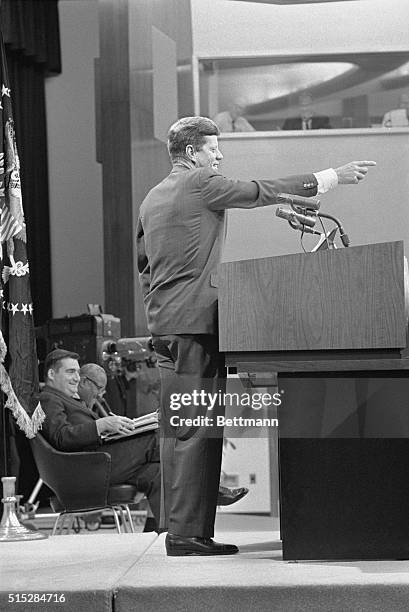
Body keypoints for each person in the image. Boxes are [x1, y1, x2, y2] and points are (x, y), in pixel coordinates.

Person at [136, 115, 375, 556]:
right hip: (194, 326)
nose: (220, 156)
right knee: (196, 428)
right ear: (192, 153)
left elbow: (145, 268)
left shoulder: (152, 198)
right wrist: (330, 177)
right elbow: (259, 190)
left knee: (182, 428)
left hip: (165, 325)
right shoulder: (200, 182)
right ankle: (186, 535)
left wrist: (163, 311)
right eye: (213, 148)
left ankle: (188, 523)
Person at [39, 349, 161, 530]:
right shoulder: (48, 398)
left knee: (156, 472)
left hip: (96, 464)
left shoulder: (66, 400)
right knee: (155, 438)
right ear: (51, 373)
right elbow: (61, 437)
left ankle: (160, 532)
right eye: (70, 372)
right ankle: (214, 481)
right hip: (86, 471)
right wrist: (101, 425)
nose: (76, 378)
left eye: (78, 373)